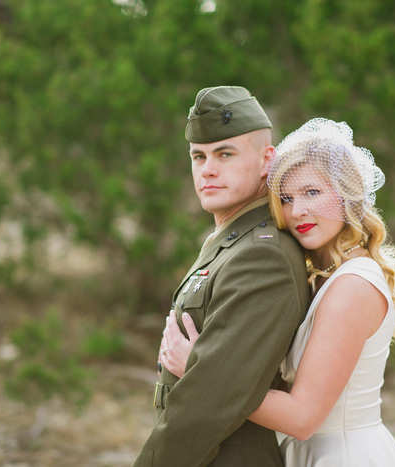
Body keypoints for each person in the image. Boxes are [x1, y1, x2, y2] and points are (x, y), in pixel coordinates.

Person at [160, 118, 395, 466]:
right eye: (286, 198)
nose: (298, 211)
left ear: (347, 194)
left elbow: (302, 418)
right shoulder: (322, 277)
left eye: (312, 192)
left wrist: (200, 369)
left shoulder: (352, 286)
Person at [133, 86, 310, 466]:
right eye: (199, 156)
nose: (207, 169)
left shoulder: (263, 256)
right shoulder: (232, 240)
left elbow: (207, 404)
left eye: (225, 154)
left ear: (267, 160)